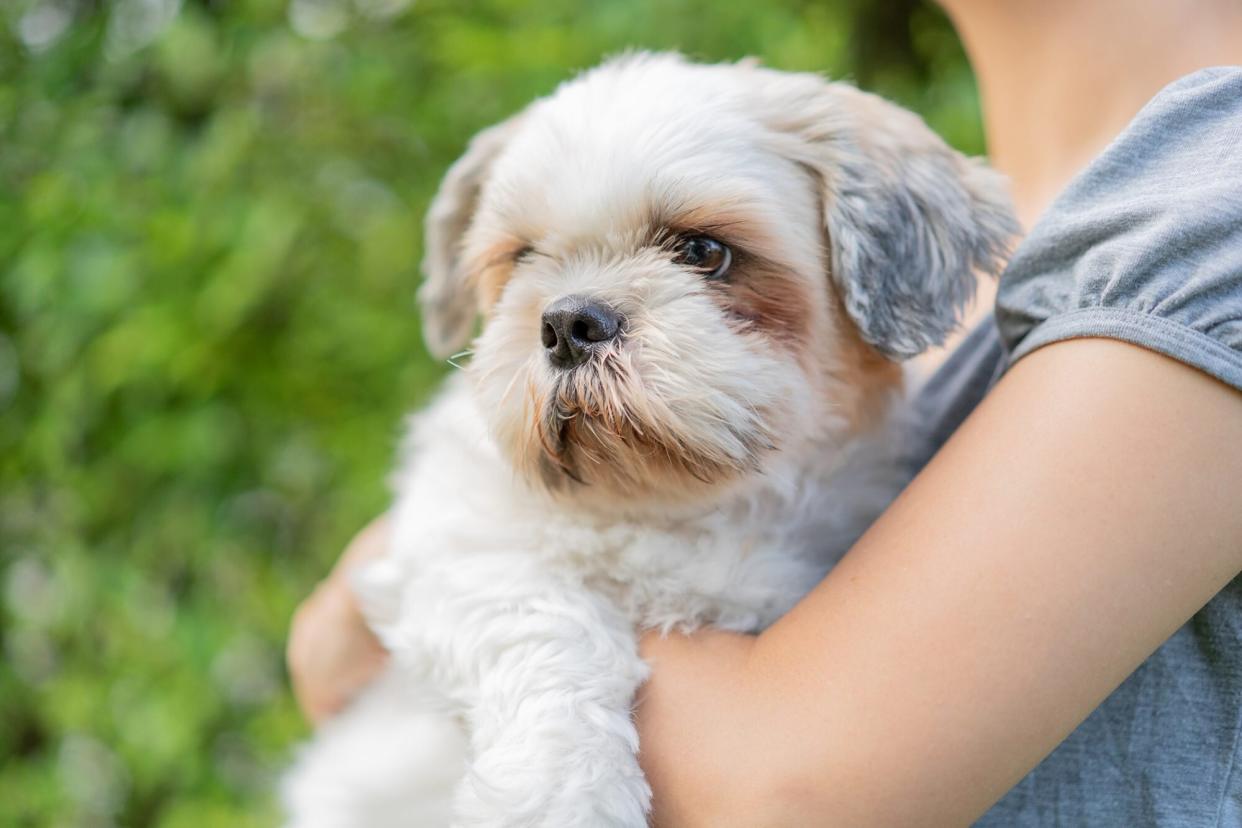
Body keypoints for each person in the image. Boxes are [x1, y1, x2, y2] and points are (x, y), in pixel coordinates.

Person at [286, 1, 1242, 823]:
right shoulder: (1059, 245)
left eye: (703, 256)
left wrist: (421, 582)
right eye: (522, 267)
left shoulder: (1207, 204)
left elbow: (780, 795)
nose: (571, 319)